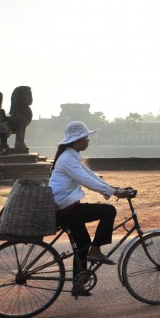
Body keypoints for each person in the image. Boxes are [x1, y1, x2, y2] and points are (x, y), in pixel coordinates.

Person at [48, 121, 133, 296]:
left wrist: (114, 188)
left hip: (67, 209)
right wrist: (113, 192)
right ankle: (96, 251)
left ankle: (78, 284)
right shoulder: (68, 159)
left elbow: (91, 175)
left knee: (83, 243)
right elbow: (86, 181)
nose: (88, 141)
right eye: (86, 138)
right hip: (66, 210)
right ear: (77, 140)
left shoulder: (71, 156)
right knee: (109, 211)